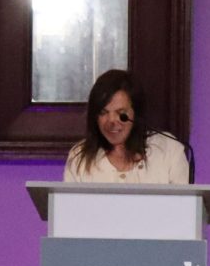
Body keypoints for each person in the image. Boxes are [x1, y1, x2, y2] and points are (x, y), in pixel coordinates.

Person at [63, 69, 191, 184]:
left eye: (121, 113)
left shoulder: (169, 150)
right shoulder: (79, 157)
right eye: (103, 113)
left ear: (136, 114)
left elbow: (184, 202)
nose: (111, 121)